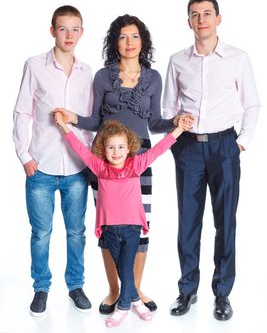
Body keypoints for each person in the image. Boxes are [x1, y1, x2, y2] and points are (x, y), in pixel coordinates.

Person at [54, 14, 181, 314]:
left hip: (139, 156)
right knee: (110, 225)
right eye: (123, 37)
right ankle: (114, 290)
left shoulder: (153, 78)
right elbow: (96, 120)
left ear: (143, 41)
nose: (129, 42)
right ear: (115, 42)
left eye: (134, 36)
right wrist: (72, 119)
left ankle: (134, 289)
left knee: (140, 224)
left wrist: (176, 123)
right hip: (105, 154)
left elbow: (155, 121)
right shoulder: (102, 76)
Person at [163, 0, 260, 321]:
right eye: (195, 14)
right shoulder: (178, 60)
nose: (201, 19)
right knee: (188, 221)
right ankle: (187, 290)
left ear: (218, 18)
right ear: (188, 21)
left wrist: (241, 142)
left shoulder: (237, 58)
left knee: (225, 222)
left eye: (207, 13)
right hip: (188, 148)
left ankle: (222, 293)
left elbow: (253, 104)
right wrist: (177, 125)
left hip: (224, 147)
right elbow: (166, 108)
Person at [54, 117, 193, 326]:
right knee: (122, 268)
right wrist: (64, 127)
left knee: (126, 267)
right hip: (109, 229)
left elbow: (159, 149)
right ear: (103, 149)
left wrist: (178, 130)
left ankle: (122, 307)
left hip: (132, 228)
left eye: (120, 147)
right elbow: (80, 150)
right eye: (111, 147)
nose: (116, 152)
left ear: (129, 148)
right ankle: (137, 301)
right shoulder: (100, 168)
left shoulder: (136, 165)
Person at [13, 5, 93, 316]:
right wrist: (25, 155)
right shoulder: (35, 65)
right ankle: (41, 288)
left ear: (82, 32)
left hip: (76, 167)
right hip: (41, 166)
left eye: (75, 29)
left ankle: (75, 285)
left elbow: (88, 118)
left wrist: (87, 155)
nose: (69, 35)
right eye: (63, 28)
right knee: (41, 233)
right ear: (52, 31)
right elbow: (22, 111)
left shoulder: (88, 73)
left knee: (76, 232)